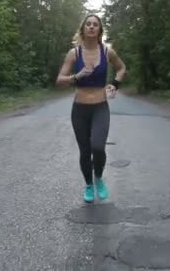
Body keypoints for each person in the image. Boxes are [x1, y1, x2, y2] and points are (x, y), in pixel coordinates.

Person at [56, 14, 127, 203]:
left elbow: (121, 68)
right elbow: (60, 80)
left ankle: (99, 179)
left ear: (100, 30)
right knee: (85, 151)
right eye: (88, 24)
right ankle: (88, 185)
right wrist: (76, 76)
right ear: (83, 29)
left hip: (100, 107)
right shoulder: (74, 54)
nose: (92, 27)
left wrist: (115, 84)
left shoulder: (107, 52)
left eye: (96, 24)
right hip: (79, 110)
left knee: (98, 146)